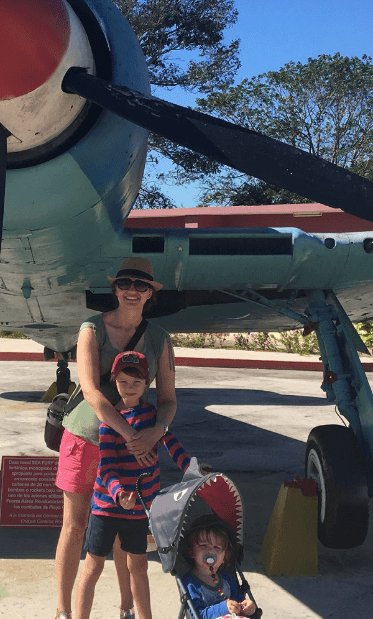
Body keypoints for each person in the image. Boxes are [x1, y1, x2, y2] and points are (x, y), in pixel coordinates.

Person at [54, 258, 178, 619]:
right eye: (126, 283)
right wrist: (131, 436)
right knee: (75, 527)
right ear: (115, 288)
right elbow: (92, 392)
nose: (132, 291)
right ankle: (63, 611)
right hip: (87, 438)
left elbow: (169, 401)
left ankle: (126, 607)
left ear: (150, 293)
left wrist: (156, 431)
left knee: (129, 527)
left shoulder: (160, 339)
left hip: (137, 447)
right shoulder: (91, 329)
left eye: (141, 286)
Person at [73, 351, 193, 619]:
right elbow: (106, 466)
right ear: (115, 381)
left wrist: (190, 467)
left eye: (136, 383)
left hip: (139, 510)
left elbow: (171, 443)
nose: (129, 388)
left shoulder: (153, 419)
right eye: (124, 382)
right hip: (107, 508)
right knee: (92, 567)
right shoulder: (109, 422)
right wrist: (117, 492)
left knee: (138, 566)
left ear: (146, 384)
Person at [180, 521, 257, 618]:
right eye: (204, 545)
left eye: (217, 547)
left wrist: (246, 607)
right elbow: (196, 615)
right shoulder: (190, 583)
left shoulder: (227, 580)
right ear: (191, 552)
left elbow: (239, 603)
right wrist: (223, 608)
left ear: (224, 558)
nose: (211, 551)